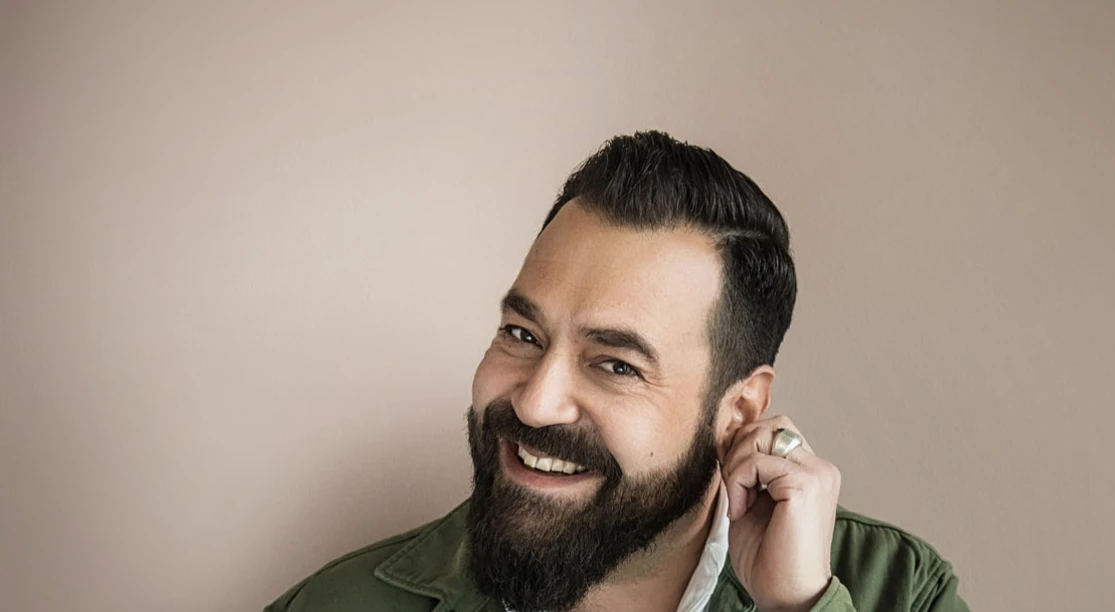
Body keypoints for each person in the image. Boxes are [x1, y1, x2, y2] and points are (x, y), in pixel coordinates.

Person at [266, 131, 969, 612]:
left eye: (616, 364)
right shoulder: (337, 603)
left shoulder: (900, 593)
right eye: (521, 332)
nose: (537, 403)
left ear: (741, 411)